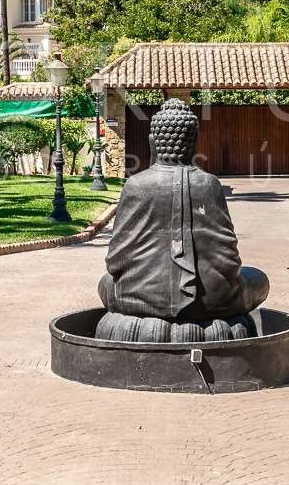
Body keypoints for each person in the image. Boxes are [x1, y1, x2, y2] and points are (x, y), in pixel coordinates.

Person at [96, 98, 268, 341]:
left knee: (106, 283)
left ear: (153, 142)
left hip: (139, 296)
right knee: (258, 280)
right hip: (210, 299)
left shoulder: (136, 184)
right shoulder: (209, 184)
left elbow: (116, 260)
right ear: (194, 142)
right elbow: (228, 257)